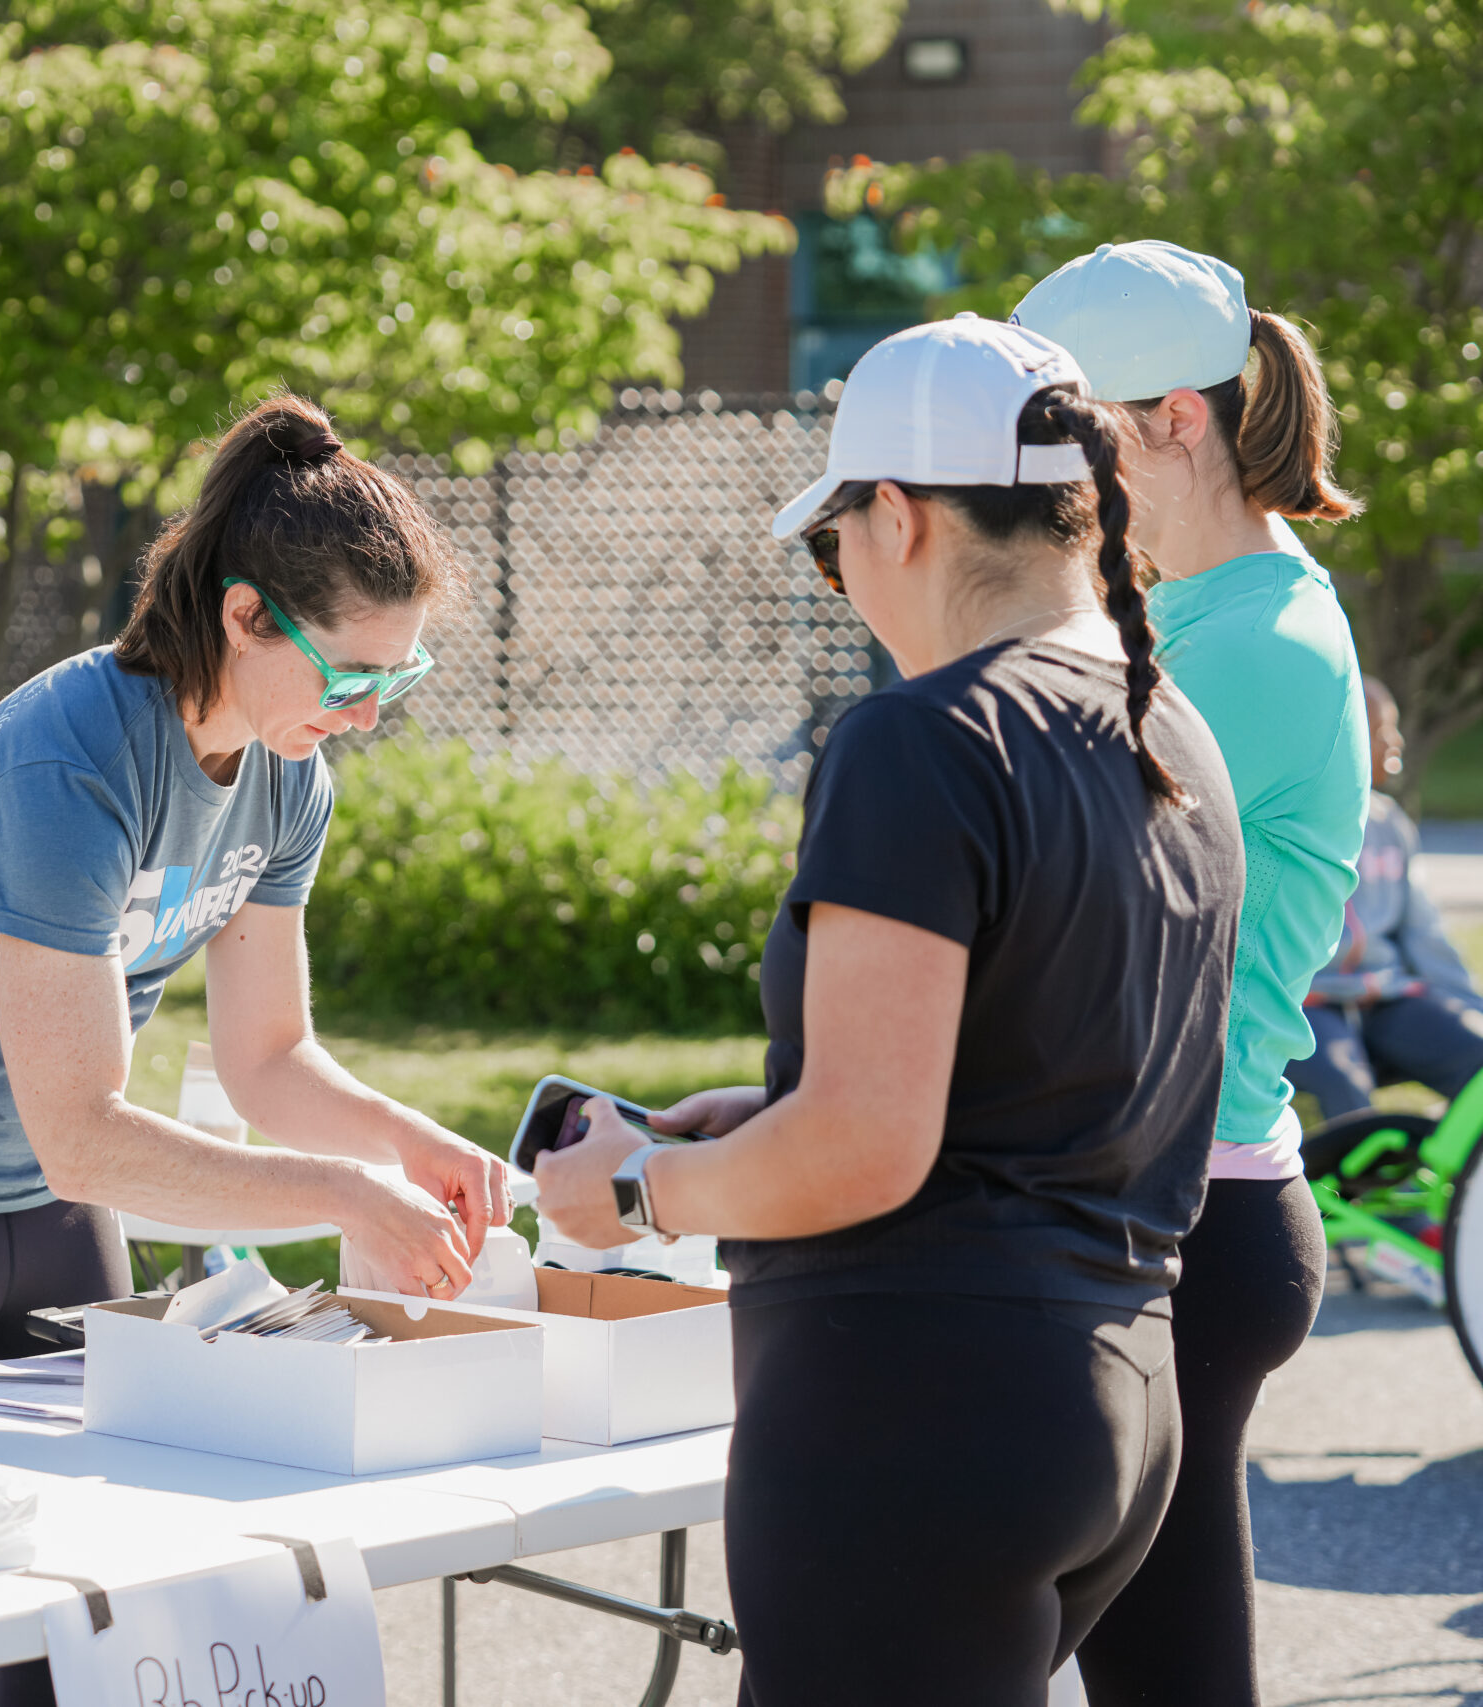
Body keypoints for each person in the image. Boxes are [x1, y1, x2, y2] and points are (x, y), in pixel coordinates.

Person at [0, 395, 510, 1707]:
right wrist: (338, 1193)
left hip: (48, 1212)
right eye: (349, 676)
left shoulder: (290, 770)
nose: (369, 715)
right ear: (244, 613)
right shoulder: (74, 756)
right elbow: (85, 1125)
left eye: (399, 678)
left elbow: (270, 1056)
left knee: (93, 1617)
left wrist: (407, 1143)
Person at [532, 315, 1244, 1705]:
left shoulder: (924, 737)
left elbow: (868, 1144)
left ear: (901, 518)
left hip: (923, 1407)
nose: (842, 573)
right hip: (1114, 1387)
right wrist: (769, 1119)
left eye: (834, 537)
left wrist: (639, 1188)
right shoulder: (1175, 731)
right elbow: (1039, 1077)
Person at [1013, 240, 1368, 1707]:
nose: (1044, 492)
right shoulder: (1215, 615)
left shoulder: (1244, 648)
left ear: (1178, 419)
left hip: (1177, 1212)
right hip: (1188, 1201)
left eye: (1070, 443)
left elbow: (1027, 908)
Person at [1290, 679, 1483, 1120]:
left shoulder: (1390, 825)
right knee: (1347, 1093)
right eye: (1382, 731)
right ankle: (1350, 1188)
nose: (1395, 741)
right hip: (1313, 1002)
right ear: (1345, 740)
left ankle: (1457, 1181)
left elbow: (1425, 935)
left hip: (1385, 996)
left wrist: (1471, 1009)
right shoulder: (1296, 823)